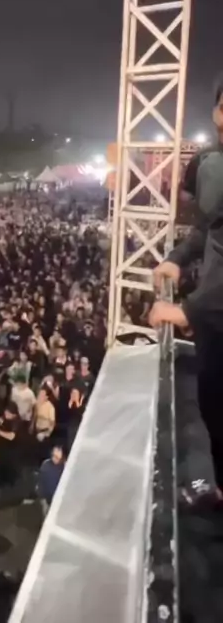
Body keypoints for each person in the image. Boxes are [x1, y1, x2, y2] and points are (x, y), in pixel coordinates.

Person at [149, 79, 223, 503]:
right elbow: (209, 229)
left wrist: (187, 312)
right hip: (215, 326)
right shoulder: (213, 164)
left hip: (211, 314)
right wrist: (177, 258)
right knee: (213, 409)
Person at [37, 445, 65, 516]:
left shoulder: (66, 466)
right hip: (48, 502)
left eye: (57, 457)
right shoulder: (46, 465)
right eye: (54, 456)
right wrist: (43, 500)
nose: (55, 458)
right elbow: (41, 482)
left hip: (61, 503)